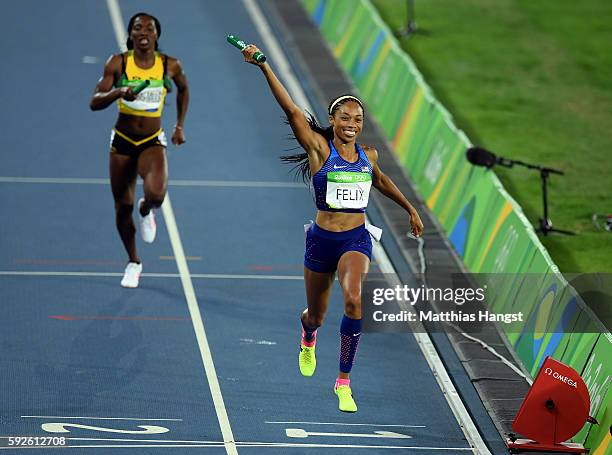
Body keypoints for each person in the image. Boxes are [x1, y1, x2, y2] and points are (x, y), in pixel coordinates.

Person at [240, 44, 424, 412]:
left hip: (356, 238)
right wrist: (263, 65)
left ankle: (343, 380)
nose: (352, 124)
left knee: (354, 299)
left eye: (358, 119)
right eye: (345, 118)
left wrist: (410, 209)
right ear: (333, 119)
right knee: (318, 314)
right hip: (321, 241)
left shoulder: (368, 156)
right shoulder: (320, 149)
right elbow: (291, 109)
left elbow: (381, 180)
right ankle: (308, 335)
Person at [90, 12, 189, 288]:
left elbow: (183, 89)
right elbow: (94, 101)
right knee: (122, 206)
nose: (143, 31)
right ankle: (134, 262)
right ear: (131, 34)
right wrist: (119, 93)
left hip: (151, 141)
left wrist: (179, 125)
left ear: (157, 35)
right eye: (137, 27)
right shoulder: (118, 63)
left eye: (149, 28)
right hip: (122, 141)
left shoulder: (169, 65)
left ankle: (148, 210)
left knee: (156, 194)